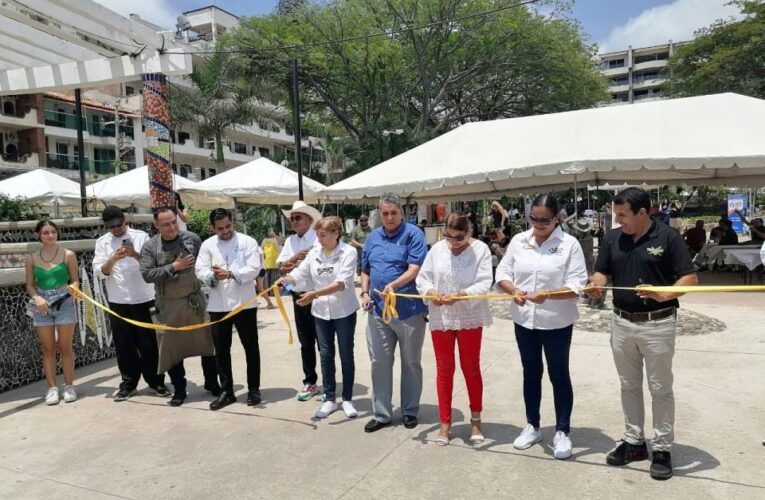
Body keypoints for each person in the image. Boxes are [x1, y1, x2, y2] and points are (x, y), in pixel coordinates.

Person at [587, 187, 698, 481]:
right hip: (622, 322)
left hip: (658, 323)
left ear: (643, 212)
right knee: (628, 386)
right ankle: (634, 442)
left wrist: (665, 293)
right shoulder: (612, 238)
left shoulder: (668, 237)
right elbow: (602, 271)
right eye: (616, 214)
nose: (618, 220)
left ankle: (661, 448)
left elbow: (690, 277)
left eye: (623, 215)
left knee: (660, 387)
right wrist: (596, 283)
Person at [496, 194, 588, 460]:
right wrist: (512, 289)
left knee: (558, 374)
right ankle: (532, 425)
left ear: (557, 218)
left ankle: (562, 430)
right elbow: (502, 273)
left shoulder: (569, 244)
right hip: (525, 321)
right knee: (530, 372)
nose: (538, 225)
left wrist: (548, 294)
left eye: (544, 220)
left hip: (557, 322)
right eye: (533, 219)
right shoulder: (519, 241)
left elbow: (576, 286)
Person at [415, 212, 493, 446]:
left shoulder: (481, 250)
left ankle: (476, 419)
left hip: (469, 314)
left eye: (458, 238)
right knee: (444, 369)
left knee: (471, 367)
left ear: (468, 233)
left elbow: (484, 282)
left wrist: (462, 295)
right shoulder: (437, 249)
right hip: (442, 315)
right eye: (449, 237)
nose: (453, 243)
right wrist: (430, 293)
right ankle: (445, 422)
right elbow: (423, 278)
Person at [278, 216, 360, 420]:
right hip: (321, 312)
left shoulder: (348, 252)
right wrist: (287, 279)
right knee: (325, 354)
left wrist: (314, 294)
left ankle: (347, 399)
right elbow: (300, 274)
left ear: (336, 233)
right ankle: (330, 398)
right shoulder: (314, 253)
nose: (319, 240)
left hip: (343, 311)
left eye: (323, 235)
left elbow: (342, 283)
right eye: (317, 235)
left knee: (345, 353)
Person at [361, 192, 428, 432]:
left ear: (401, 212)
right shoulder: (372, 238)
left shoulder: (413, 234)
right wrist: (365, 293)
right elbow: (365, 269)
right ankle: (381, 413)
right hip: (378, 312)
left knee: (411, 362)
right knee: (379, 362)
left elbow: (415, 268)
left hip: (409, 311)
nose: (389, 217)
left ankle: (409, 410)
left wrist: (394, 285)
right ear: (380, 214)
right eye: (385, 213)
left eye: (393, 213)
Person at [140, 206, 220, 407]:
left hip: (194, 301)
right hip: (168, 305)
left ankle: (212, 382)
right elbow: (147, 275)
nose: (172, 227)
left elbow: (205, 263)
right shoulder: (150, 247)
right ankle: (180, 389)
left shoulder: (192, 238)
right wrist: (174, 267)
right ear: (156, 225)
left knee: (207, 344)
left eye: (174, 222)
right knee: (172, 349)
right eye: (166, 224)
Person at [92, 206, 171, 401]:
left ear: (125, 220)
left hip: (144, 298)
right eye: (112, 227)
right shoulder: (102, 242)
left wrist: (133, 254)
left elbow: (151, 264)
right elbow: (99, 272)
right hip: (118, 301)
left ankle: (156, 382)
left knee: (149, 344)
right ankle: (128, 384)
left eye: (119, 225)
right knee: (123, 346)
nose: (117, 229)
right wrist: (113, 258)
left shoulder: (141, 236)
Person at [196, 208, 264, 410]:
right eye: (220, 228)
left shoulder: (247, 241)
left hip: (244, 303)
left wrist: (231, 273)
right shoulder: (208, 245)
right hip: (219, 304)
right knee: (221, 350)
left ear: (232, 222)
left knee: (250, 348)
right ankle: (227, 391)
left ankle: (253, 388)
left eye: (227, 226)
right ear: (213, 228)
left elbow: (254, 269)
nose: (225, 231)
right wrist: (212, 276)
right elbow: (200, 269)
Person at [25, 221, 79, 405]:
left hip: (64, 302)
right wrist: (37, 298)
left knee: (65, 347)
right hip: (41, 304)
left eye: (53, 232)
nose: (50, 235)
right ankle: (52, 388)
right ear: (38, 235)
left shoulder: (68, 255)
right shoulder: (32, 258)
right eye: (46, 232)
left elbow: (75, 280)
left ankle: (69, 386)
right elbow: (30, 284)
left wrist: (73, 289)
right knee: (48, 349)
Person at [277, 200, 323, 401]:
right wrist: (295, 258)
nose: (294, 222)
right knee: (306, 343)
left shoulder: (318, 238)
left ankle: (328, 383)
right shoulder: (290, 241)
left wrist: (292, 263)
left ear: (309, 220)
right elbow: (281, 266)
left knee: (324, 343)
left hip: (317, 295)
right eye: (292, 219)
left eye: (298, 218)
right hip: (298, 295)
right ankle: (310, 381)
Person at [259, 228, 282, 309]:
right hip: (267, 264)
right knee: (266, 282)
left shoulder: (277, 239)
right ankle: (268, 295)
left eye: (272, 231)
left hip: (275, 264)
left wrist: (275, 236)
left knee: (276, 281)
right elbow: (261, 250)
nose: (270, 232)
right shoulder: (264, 240)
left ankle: (278, 293)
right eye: (269, 231)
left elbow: (280, 243)